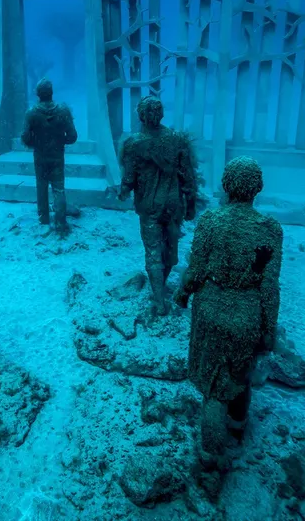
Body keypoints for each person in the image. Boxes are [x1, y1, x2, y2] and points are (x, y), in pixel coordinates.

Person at [173, 156, 283, 474]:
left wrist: (183, 293)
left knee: (214, 390)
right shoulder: (271, 229)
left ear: (226, 185)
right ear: (258, 187)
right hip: (248, 315)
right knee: (240, 375)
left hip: (211, 311)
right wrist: (269, 329)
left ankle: (211, 458)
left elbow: (196, 271)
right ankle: (237, 425)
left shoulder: (211, 221)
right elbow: (269, 286)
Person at [117, 96, 201, 315]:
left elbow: (129, 179)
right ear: (161, 114)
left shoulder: (133, 144)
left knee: (153, 250)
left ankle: (159, 299)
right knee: (171, 247)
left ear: (141, 116)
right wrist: (191, 205)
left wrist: (122, 191)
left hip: (149, 206)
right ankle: (161, 285)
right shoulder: (177, 140)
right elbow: (188, 178)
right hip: (173, 204)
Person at [20, 78, 78, 234]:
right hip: (57, 155)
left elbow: (25, 137)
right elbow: (73, 136)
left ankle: (44, 219)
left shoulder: (31, 113)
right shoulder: (63, 110)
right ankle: (60, 222)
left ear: (38, 94)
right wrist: (59, 141)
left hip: (40, 156)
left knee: (41, 186)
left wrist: (36, 143)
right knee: (59, 188)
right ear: (51, 92)